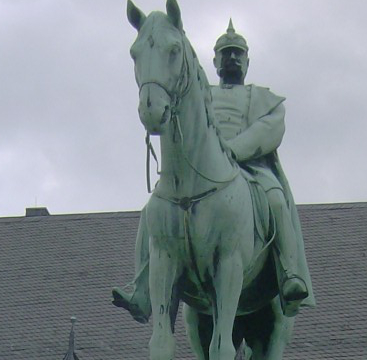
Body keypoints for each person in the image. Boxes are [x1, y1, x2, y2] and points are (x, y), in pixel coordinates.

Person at [112, 20, 313, 322]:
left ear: (247, 61)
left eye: (238, 53)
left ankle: (289, 274)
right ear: (216, 61)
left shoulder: (264, 100)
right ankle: (141, 287)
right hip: (202, 173)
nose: (232, 58)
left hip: (249, 171)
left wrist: (233, 150)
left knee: (275, 199)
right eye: (226, 53)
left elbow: (267, 131)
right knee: (152, 209)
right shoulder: (200, 93)